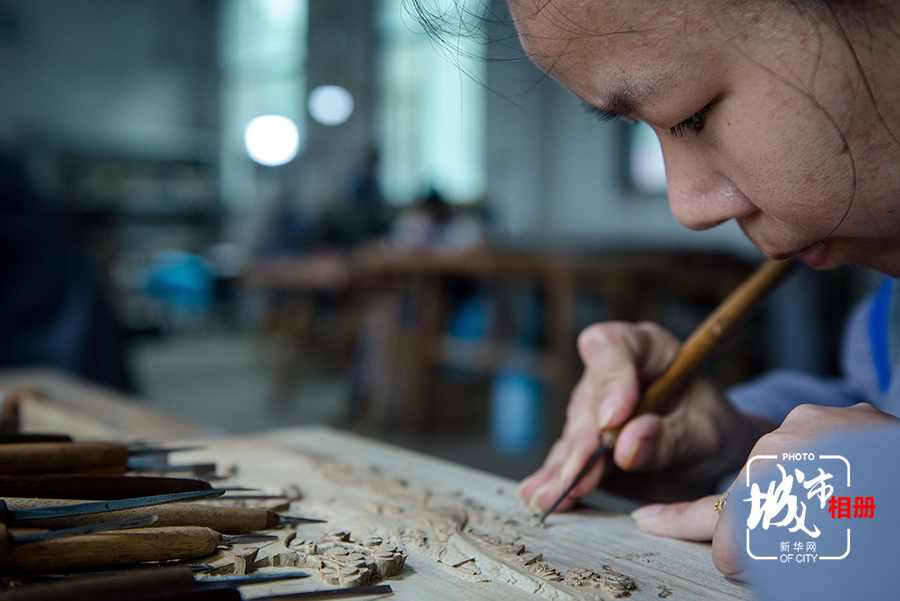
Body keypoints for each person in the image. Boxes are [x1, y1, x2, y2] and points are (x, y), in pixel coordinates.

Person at [408, 0, 900, 583]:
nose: (686, 206)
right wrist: (740, 441)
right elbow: (875, 400)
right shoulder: (884, 314)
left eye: (691, 117)